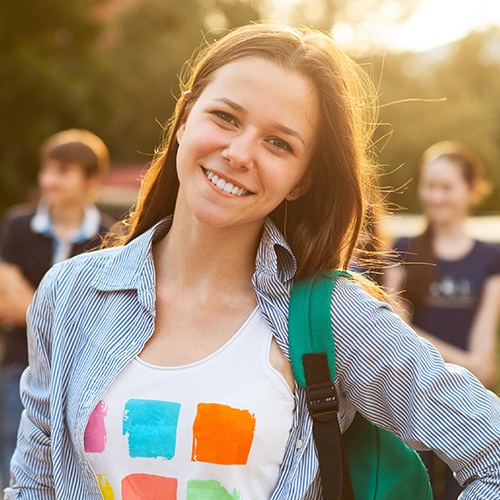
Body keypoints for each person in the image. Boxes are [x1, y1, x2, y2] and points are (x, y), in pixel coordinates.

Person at [5, 23, 500, 499]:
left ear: (302, 180)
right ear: (184, 118)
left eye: (279, 143)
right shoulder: (69, 294)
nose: (239, 153)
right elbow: (36, 485)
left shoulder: (332, 315)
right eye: (225, 117)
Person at [384, 141, 500, 499]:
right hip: (410, 400)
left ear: (471, 190)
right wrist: (466, 362)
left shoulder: (491, 257)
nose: (435, 196)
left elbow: (484, 351)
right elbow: (394, 329)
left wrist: (472, 365)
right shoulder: (402, 248)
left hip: (465, 405)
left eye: (446, 187)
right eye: (429, 185)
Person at [0, 129, 114, 490]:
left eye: (62, 172)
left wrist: (31, 307)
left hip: (81, 376)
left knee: (73, 472)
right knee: (15, 468)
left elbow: (102, 318)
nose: (49, 181)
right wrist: (67, 312)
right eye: (46, 170)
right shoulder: (18, 226)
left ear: (91, 180)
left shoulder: (110, 238)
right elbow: (6, 301)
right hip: (18, 368)